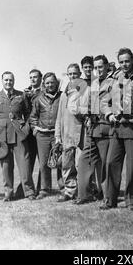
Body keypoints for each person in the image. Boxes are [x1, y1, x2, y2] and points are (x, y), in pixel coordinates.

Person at [100, 48, 133, 211]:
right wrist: (108, 114)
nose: (124, 64)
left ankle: (131, 199)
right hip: (116, 128)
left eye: (127, 61)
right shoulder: (114, 81)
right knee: (111, 163)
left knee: (131, 166)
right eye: (121, 62)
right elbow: (103, 102)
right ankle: (110, 199)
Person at [0, 71, 35, 201]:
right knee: (6, 165)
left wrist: (26, 127)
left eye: (11, 80)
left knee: (24, 163)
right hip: (2, 136)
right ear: (2, 81)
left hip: (19, 134)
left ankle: (29, 192)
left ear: (14, 81)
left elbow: (29, 113)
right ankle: (8, 193)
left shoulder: (21, 95)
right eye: (6, 80)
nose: (8, 82)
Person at [74, 55, 113, 204]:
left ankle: (107, 196)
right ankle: (83, 195)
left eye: (100, 67)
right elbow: (90, 104)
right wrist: (88, 116)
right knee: (84, 160)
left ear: (107, 66)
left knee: (105, 164)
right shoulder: (93, 85)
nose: (97, 70)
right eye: (95, 67)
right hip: (93, 129)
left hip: (106, 128)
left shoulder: (114, 83)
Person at [54, 64, 84, 202]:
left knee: (80, 164)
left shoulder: (84, 90)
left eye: (75, 74)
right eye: (70, 74)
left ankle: (83, 191)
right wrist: (58, 135)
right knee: (67, 165)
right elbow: (59, 116)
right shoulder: (64, 94)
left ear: (80, 74)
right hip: (66, 135)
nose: (72, 76)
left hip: (80, 134)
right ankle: (69, 191)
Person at [29, 72, 62, 199]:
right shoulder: (39, 98)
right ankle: (44, 189)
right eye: (47, 83)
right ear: (44, 84)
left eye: (52, 82)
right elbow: (33, 117)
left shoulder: (62, 97)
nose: (50, 85)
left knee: (60, 161)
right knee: (43, 163)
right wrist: (36, 128)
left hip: (57, 134)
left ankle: (63, 187)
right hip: (42, 135)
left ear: (56, 83)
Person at [16, 69, 42, 198]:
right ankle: (25, 188)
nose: (33, 79)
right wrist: (22, 125)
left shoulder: (45, 92)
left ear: (40, 78)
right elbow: (18, 111)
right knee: (28, 161)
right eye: (31, 77)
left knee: (43, 160)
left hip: (42, 130)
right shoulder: (24, 93)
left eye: (35, 77)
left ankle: (42, 188)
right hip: (29, 132)